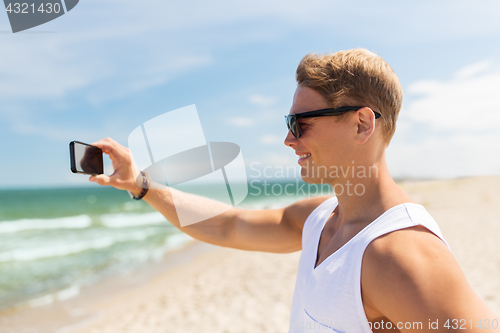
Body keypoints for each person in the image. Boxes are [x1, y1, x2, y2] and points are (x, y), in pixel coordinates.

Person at [89, 48, 499, 332]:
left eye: (300, 124)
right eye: (289, 123)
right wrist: (141, 184)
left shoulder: (400, 254)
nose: (289, 140)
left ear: (362, 124)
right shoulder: (320, 219)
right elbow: (229, 226)